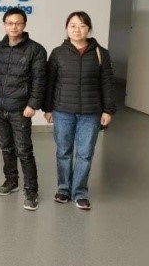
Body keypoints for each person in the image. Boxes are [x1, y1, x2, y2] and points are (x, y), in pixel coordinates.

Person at [43, 11, 116, 210]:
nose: (77, 30)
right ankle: (63, 189)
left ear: (89, 29)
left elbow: (107, 83)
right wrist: (47, 108)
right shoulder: (58, 53)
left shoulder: (100, 53)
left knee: (85, 154)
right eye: (73, 25)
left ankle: (80, 192)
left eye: (82, 26)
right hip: (62, 110)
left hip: (91, 112)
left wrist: (108, 110)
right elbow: (50, 83)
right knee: (63, 152)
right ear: (67, 28)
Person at [0, 8, 47, 211]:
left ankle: (31, 190)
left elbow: (39, 81)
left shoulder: (36, 50)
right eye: (10, 23)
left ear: (24, 25)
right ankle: (11, 181)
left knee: (24, 151)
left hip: (20, 109)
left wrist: (33, 104)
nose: (14, 27)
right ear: (4, 25)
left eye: (18, 23)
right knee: (6, 147)